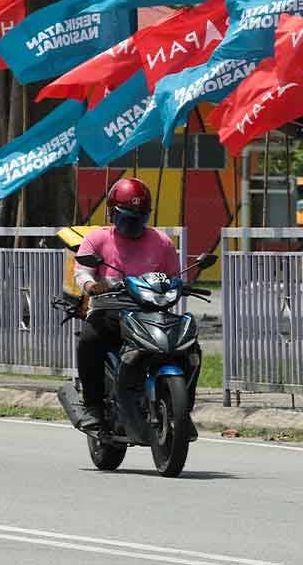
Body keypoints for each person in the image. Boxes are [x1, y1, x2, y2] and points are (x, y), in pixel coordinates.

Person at [74, 178, 180, 430]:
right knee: (89, 341)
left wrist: (177, 285)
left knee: (188, 347)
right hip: (108, 311)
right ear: (112, 213)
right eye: (126, 217)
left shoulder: (162, 242)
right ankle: (93, 407)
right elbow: (82, 272)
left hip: (150, 312)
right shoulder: (97, 239)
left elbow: (174, 276)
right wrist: (91, 286)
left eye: (139, 218)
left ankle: (183, 411)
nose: (132, 224)